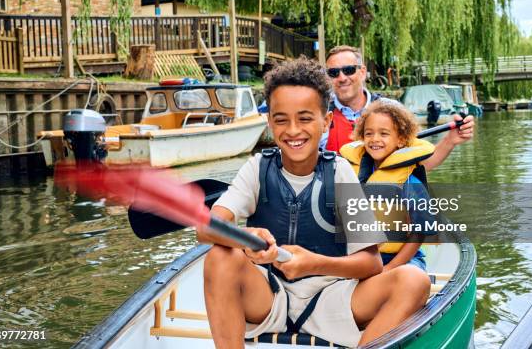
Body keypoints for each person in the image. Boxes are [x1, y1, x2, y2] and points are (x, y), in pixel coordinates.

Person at [199, 57, 431, 349]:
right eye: (281, 119)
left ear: (327, 122)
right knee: (220, 256)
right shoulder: (257, 167)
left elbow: (371, 263)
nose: (293, 130)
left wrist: (313, 264)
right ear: (270, 122)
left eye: (306, 118)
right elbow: (207, 228)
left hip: (332, 298)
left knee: (414, 281)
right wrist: (245, 237)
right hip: (268, 298)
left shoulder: (341, 172)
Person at [322, 45, 474, 173]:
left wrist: (450, 140)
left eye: (348, 70)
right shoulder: (320, 116)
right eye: (333, 73)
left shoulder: (393, 109)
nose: (342, 78)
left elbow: (423, 164)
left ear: (362, 72)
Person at [340, 100, 437, 272]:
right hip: (361, 258)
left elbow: (419, 234)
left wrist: (390, 268)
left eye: (384, 134)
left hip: (401, 260)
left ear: (400, 140)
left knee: (408, 277)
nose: (375, 139)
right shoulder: (351, 173)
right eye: (369, 133)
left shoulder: (411, 184)